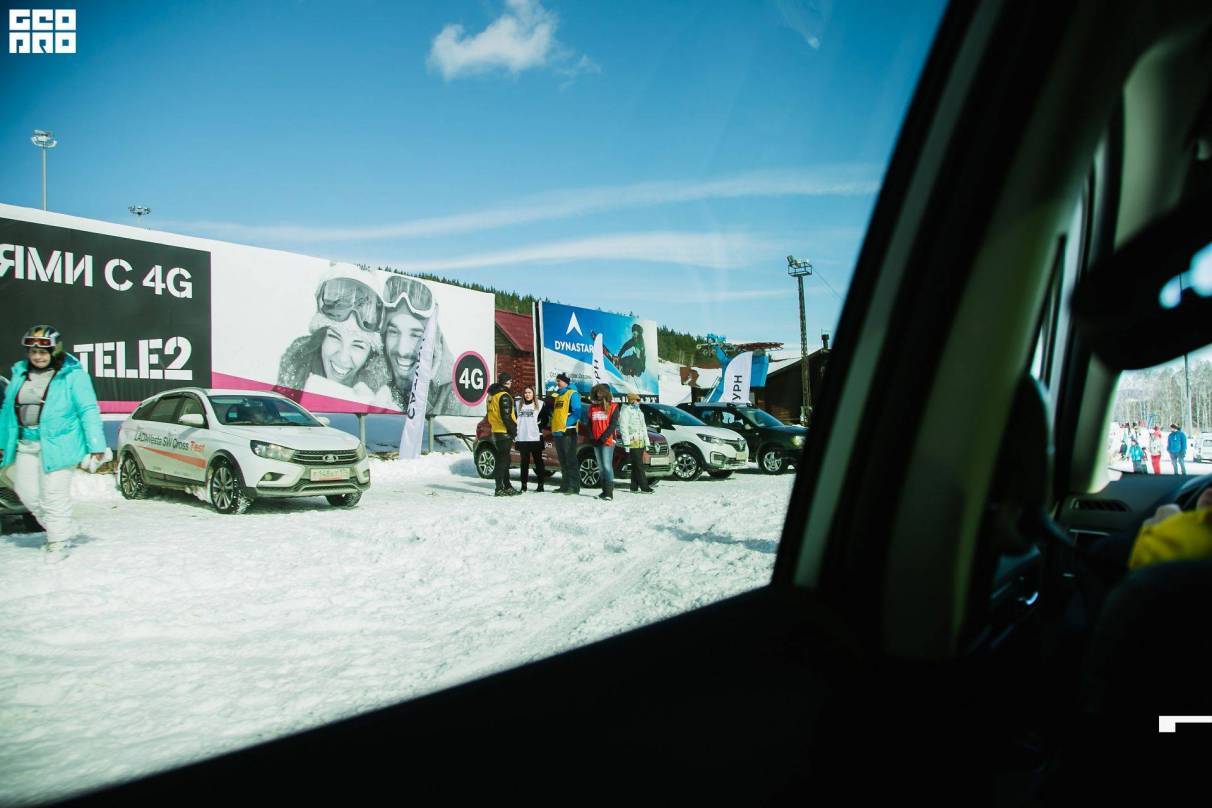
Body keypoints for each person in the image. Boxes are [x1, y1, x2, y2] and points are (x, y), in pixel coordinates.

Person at [0, 326, 107, 562]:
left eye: (43, 352)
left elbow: (88, 409)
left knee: (53, 494)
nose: (37, 356)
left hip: (61, 444)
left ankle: (58, 542)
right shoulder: (20, 373)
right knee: (26, 492)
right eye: (33, 351)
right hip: (26, 443)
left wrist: (96, 445)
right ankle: (63, 527)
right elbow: (7, 411)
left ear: (54, 351)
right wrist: (2, 442)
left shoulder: (73, 375)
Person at [277, 266, 393, 405]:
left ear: (370, 354)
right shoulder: (295, 372)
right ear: (321, 338)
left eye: (358, 346)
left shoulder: (384, 395)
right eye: (334, 337)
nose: (343, 358)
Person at [379, 272, 480, 417]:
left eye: (416, 335)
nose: (402, 349)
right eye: (394, 332)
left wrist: (425, 387)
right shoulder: (369, 378)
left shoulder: (459, 400)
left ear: (434, 343)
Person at [548, 373, 582, 495]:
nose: (557, 383)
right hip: (558, 432)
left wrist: (565, 424)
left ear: (566, 382)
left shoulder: (572, 394)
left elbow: (577, 413)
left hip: (568, 432)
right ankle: (565, 485)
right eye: (556, 381)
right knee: (562, 461)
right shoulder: (558, 395)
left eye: (559, 381)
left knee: (570, 460)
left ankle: (574, 486)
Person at [485, 372, 518, 496]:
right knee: (503, 461)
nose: (511, 383)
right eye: (510, 381)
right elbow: (506, 417)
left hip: (496, 430)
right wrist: (513, 430)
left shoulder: (491, 396)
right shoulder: (504, 396)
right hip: (504, 431)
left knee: (505, 460)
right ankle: (499, 488)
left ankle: (507, 486)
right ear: (507, 382)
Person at [587, 383, 621, 501]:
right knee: (601, 467)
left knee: (607, 466)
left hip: (607, 441)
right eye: (597, 391)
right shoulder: (592, 407)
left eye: (601, 391)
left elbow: (613, 425)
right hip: (596, 441)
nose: (598, 394)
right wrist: (592, 437)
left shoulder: (613, 406)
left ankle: (609, 493)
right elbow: (589, 424)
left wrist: (603, 438)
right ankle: (604, 491)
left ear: (606, 393)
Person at [619, 392, 654, 493]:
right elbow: (623, 428)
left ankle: (633, 486)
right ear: (632, 400)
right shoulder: (626, 411)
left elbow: (644, 427)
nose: (639, 402)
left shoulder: (639, 411)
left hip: (641, 441)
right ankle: (645, 487)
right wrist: (626, 443)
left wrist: (647, 442)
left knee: (636, 464)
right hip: (632, 441)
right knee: (639, 465)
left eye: (639, 400)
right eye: (637, 400)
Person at [515, 385, 545, 493]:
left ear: (533, 394)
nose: (527, 395)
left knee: (538, 462)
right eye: (525, 393)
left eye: (529, 393)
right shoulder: (518, 404)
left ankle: (540, 485)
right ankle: (524, 485)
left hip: (535, 437)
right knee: (524, 463)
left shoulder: (540, 404)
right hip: (522, 437)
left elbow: (545, 418)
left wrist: (540, 424)